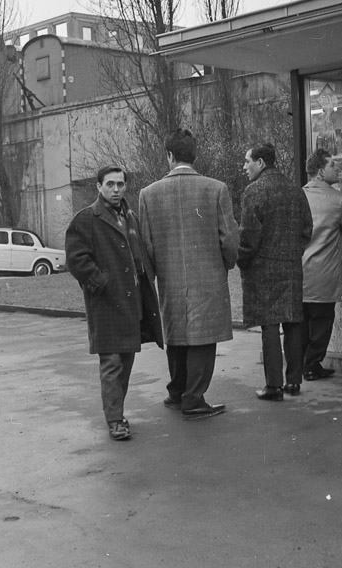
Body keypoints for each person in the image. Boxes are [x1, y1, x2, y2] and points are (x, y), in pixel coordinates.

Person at [139, 129, 239, 421]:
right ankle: (194, 399)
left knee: (177, 332)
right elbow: (229, 239)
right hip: (207, 274)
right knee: (203, 338)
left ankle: (177, 392)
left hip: (169, 278)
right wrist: (226, 263)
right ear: (195, 155)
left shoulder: (148, 194)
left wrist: (157, 273)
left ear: (169, 155)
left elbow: (146, 245)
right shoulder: (216, 188)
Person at [66, 165, 163, 440]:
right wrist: (101, 282)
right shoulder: (86, 219)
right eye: (110, 184)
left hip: (132, 305)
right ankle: (115, 421)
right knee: (111, 365)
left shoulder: (130, 217)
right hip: (106, 306)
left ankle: (117, 413)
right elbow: (76, 259)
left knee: (126, 363)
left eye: (120, 184)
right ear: (98, 186)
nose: (116, 189)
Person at [237, 142, 312, 401]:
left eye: (247, 161)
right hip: (291, 265)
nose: (245, 167)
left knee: (270, 325)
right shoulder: (295, 190)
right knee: (292, 322)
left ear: (260, 162)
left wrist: (243, 259)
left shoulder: (254, 191)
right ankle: (293, 381)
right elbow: (306, 229)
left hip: (262, 266)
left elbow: (248, 235)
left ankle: (273, 385)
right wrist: (293, 252)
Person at [301, 148, 342, 382]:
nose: (339, 168)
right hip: (324, 272)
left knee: (302, 324)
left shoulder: (299, 195)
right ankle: (312, 365)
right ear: (321, 171)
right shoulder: (339, 200)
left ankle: (300, 365)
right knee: (323, 322)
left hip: (300, 271)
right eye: (333, 165)